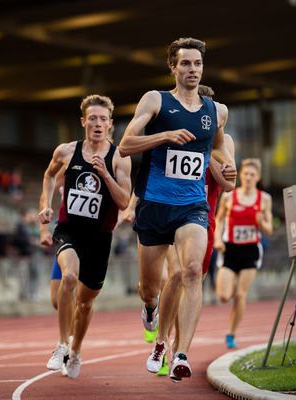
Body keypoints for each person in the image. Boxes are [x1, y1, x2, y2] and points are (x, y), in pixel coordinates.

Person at [118, 37, 236, 381]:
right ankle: (151, 311)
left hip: (192, 207)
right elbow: (125, 145)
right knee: (150, 287)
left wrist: (227, 168)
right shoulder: (156, 100)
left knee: (191, 272)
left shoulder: (217, 111)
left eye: (197, 64)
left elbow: (220, 158)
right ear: (173, 67)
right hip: (154, 205)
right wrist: (164, 137)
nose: (192, 70)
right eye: (185, 63)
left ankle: (181, 352)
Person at [144, 85, 236, 377]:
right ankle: (162, 343)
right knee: (175, 275)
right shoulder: (175, 130)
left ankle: (178, 351)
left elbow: (228, 183)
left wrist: (211, 157)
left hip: (201, 215)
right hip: (171, 209)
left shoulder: (223, 140)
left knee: (192, 277)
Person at [38, 94, 131, 379]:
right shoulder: (66, 151)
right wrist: (45, 205)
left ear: (111, 124)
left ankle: (76, 349)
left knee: (86, 302)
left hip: (99, 238)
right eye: (93, 118)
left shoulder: (119, 158)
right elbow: (49, 175)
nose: (98, 124)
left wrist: (105, 174)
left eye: (103, 119)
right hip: (69, 230)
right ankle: (61, 345)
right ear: (83, 121)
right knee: (68, 279)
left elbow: (125, 201)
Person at [215, 158, 273, 349]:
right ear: (241, 174)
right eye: (246, 174)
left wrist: (261, 222)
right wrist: (217, 239)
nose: (248, 177)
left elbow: (269, 229)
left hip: (251, 251)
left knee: (240, 295)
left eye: (252, 174)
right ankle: (230, 287)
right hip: (230, 249)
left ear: (258, 177)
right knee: (224, 296)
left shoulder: (264, 199)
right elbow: (219, 220)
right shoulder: (229, 196)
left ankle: (231, 334)